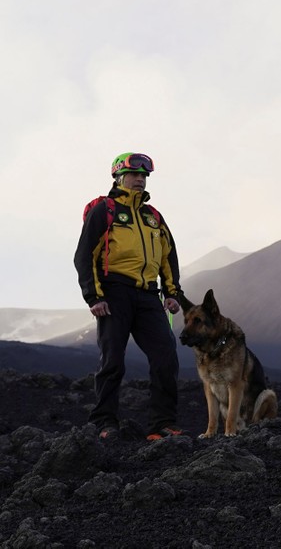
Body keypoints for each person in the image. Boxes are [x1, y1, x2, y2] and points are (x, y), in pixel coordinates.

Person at [74, 152, 184, 441]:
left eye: (144, 175)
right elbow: (85, 256)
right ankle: (104, 423)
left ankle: (163, 424)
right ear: (119, 177)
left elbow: (168, 257)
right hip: (114, 293)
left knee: (166, 356)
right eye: (134, 174)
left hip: (149, 296)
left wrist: (172, 293)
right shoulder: (105, 211)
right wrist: (94, 297)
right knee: (113, 361)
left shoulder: (153, 217)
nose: (139, 179)